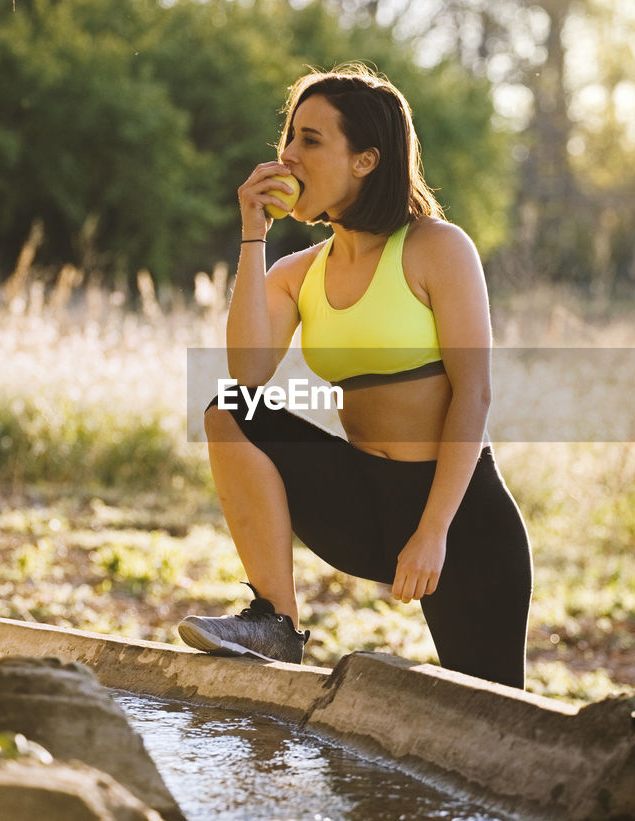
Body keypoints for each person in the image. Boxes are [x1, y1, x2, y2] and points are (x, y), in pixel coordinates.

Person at [178, 63, 532, 689]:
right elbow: (247, 372)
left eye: (311, 140)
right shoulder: (299, 270)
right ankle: (275, 625)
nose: (287, 156)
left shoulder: (437, 248)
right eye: (288, 137)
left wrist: (432, 532)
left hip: (460, 516)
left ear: (366, 160)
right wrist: (252, 236)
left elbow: (474, 393)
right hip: (364, 504)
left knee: (497, 713)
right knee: (229, 409)